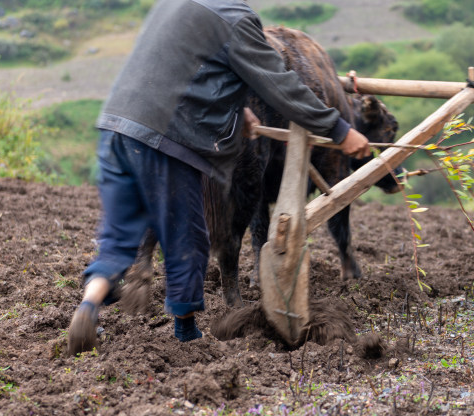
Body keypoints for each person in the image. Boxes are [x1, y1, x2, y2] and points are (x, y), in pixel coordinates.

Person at [67, 0, 371, 355]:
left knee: (118, 237)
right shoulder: (236, 19)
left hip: (115, 129)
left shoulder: (176, 5)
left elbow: (183, 69)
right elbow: (281, 86)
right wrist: (339, 129)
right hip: (165, 138)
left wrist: (237, 109)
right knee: (188, 240)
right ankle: (186, 334)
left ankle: (88, 306)